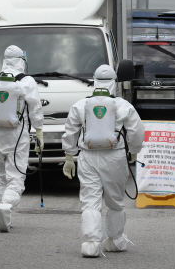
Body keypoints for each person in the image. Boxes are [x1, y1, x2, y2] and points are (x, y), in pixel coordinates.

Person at [61, 65, 145, 258]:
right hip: (115, 156)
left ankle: (90, 243)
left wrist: (69, 157)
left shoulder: (81, 105)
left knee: (90, 200)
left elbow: (70, 131)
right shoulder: (124, 105)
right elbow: (137, 132)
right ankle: (115, 240)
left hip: (87, 156)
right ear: (114, 82)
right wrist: (133, 151)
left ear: (94, 80)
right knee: (115, 201)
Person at [0, 45, 44, 232]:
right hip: (17, 135)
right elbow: (35, 108)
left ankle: (3, 218)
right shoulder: (27, 81)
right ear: (22, 60)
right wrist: (39, 131)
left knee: (3, 177)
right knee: (16, 178)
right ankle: (4, 207)